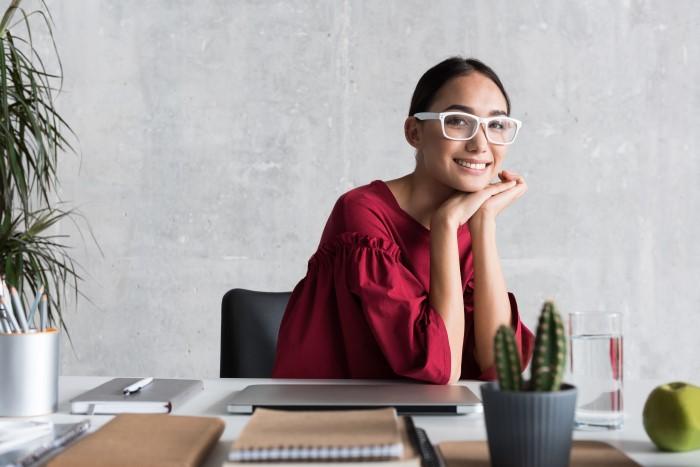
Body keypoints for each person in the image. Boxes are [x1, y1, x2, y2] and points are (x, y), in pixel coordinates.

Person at [273, 57, 534, 384]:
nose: (480, 144)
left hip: (441, 421)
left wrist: (483, 225)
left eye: (496, 125)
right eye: (457, 121)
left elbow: (500, 365)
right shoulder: (362, 213)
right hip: (345, 421)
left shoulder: (468, 219)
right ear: (414, 132)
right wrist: (445, 226)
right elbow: (441, 369)